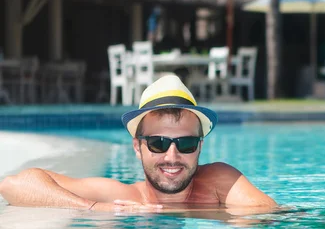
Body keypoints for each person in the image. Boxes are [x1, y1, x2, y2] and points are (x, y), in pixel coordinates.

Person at [0, 75, 277, 213]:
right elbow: (14, 184)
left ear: (200, 147)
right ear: (137, 146)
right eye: (158, 143)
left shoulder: (219, 182)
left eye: (186, 143)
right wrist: (95, 208)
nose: (173, 156)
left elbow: (273, 222)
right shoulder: (122, 198)